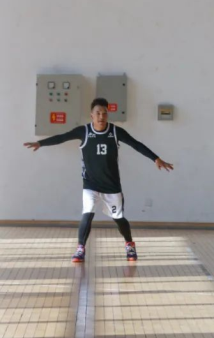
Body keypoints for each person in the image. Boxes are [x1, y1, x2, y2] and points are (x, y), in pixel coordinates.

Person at [24, 98, 173, 262]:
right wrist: (40, 143)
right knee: (87, 213)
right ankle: (80, 248)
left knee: (119, 218)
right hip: (90, 184)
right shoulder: (84, 131)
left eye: (104, 113)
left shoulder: (115, 131)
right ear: (91, 115)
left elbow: (136, 144)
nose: (101, 116)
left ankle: (129, 244)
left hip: (111, 185)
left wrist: (155, 158)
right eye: (98, 113)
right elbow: (62, 137)